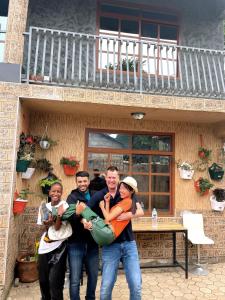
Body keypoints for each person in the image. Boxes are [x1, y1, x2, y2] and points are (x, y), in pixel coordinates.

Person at [88, 166, 143, 300]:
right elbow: (87, 210)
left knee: (136, 285)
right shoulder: (99, 195)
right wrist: (86, 222)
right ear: (106, 178)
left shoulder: (125, 192)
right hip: (110, 245)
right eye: (109, 177)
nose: (112, 180)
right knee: (106, 288)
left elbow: (140, 211)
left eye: (114, 177)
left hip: (129, 244)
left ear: (118, 179)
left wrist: (129, 215)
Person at [53, 176, 138, 246]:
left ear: (131, 191)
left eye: (124, 189)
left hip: (108, 233)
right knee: (81, 208)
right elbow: (108, 217)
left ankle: (55, 212)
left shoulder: (128, 201)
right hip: (106, 235)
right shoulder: (123, 201)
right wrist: (107, 203)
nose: (121, 190)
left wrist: (101, 206)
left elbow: (108, 218)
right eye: (121, 188)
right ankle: (57, 213)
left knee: (82, 206)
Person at [66, 171, 99, 300]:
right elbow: (70, 218)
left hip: (92, 243)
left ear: (88, 182)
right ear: (76, 182)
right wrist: (80, 216)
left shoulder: (95, 195)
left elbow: (99, 214)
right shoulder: (72, 197)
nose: (82, 184)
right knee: (74, 278)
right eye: (79, 181)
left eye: (84, 181)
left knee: (93, 275)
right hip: (76, 243)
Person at [37, 182, 68, 300]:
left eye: (58, 191)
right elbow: (44, 227)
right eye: (53, 191)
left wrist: (58, 216)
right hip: (44, 247)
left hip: (59, 247)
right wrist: (47, 223)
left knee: (55, 282)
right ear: (49, 192)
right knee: (43, 281)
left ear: (61, 193)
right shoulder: (44, 207)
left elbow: (57, 227)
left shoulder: (64, 205)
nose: (56, 193)